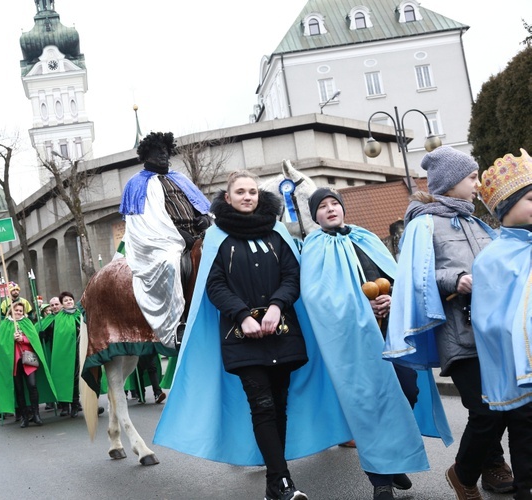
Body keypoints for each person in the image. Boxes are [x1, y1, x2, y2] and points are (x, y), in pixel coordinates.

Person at [157, 171, 351, 500]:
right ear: (228, 198)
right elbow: (214, 284)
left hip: (282, 331)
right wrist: (242, 315)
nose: (248, 197)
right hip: (241, 336)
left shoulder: (277, 233)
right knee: (262, 405)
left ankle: (275, 485)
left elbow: (292, 274)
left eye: (252, 192)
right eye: (240, 192)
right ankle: (283, 481)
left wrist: (277, 306)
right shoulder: (217, 237)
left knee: (279, 405)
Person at [302, 187, 451, 500]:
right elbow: (318, 299)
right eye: (323, 206)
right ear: (314, 215)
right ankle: (381, 479)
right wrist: (362, 306)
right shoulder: (315, 248)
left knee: (407, 390)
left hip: (390, 334)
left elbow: (396, 278)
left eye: (334, 204)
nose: (330, 209)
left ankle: (392, 460)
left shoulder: (365, 238)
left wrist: (391, 298)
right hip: (352, 343)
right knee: (368, 406)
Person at [385, 146, 513, 498]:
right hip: (459, 332)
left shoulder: (476, 221)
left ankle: (493, 465)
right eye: (471, 177)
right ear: (451, 181)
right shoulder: (423, 222)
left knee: (502, 405)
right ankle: (464, 473)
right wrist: (454, 279)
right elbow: (415, 274)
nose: (477, 183)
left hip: (493, 331)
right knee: (486, 411)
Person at [471, 148, 532, 500]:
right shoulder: (493, 258)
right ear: (506, 208)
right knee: (527, 436)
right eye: (530, 198)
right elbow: (490, 318)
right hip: (519, 371)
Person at [119, 131, 212, 348]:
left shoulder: (181, 179)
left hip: (198, 235)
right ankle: (178, 322)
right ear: (146, 155)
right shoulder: (136, 184)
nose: (162, 156)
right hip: (160, 242)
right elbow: (144, 224)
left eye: (165, 151)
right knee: (171, 264)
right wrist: (179, 235)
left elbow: (201, 206)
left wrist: (205, 218)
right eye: (156, 152)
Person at [0, 302, 56, 427]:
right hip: (14, 362)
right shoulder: (5, 324)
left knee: (32, 386)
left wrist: (23, 339)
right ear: (11, 311)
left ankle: (36, 414)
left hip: (28, 360)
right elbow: (1, 344)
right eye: (16, 310)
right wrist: (12, 338)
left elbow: (34, 339)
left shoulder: (27, 323)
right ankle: (25, 416)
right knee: (19, 389)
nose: (18, 313)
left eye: (21, 311)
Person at [37, 291, 82, 417]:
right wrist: (43, 335)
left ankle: (79, 404)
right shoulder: (56, 319)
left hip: (79, 351)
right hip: (60, 353)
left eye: (70, 300)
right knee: (64, 378)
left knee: (80, 378)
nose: (55, 306)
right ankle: (66, 406)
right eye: (53, 305)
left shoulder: (79, 315)